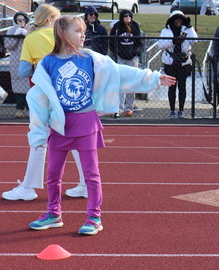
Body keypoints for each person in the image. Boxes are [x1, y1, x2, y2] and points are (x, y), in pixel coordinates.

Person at [25, 16, 175, 236]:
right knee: (53, 174)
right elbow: (38, 98)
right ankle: (53, 213)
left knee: (91, 174)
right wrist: (38, 134)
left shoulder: (90, 58)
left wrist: (152, 78)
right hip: (60, 126)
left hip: (86, 123)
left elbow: (119, 72)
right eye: (78, 31)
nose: (83, 35)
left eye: (84, 31)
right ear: (63, 34)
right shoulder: (48, 63)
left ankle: (94, 217)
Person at [2, 4, 88, 201]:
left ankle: (29, 187)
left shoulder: (31, 38)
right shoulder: (66, 36)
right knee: (75, 139)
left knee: (39, 139)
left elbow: (23, 71)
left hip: (44, 95)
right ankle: (85, 183)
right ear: (51, 20)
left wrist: (39, 68)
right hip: (70, 93)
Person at [158, 10, 197, 118]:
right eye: (176, 19)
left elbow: (194, 40)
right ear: (172, 20)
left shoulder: (186, 30)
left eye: (180, 19)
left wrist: (189, 27)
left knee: (182, 86)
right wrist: (174, 41)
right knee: (172, 86)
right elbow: (160, 45)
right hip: (170, 61)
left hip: (183, 62)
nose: (178, 21)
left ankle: (181, 110)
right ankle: (172, 110)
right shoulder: (165, 31)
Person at [109, 9, 144, 117]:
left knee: (131, 83)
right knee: (120, 83)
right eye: (125, 16)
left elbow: (140, 43)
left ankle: (129, 107)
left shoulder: (135, 27)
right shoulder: (117, 28)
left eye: (129, 16)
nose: (128, 18)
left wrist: (135, 52)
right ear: (122, 17)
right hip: (120, 58)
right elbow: (112, 43)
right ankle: (119, 107)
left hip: (132, 58)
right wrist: (118, 52)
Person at [3, 11, 29, 118]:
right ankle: (19, 108)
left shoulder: (30, 30)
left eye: (23, 20)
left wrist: (26, 35)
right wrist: (16, 36)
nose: (21, 22)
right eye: (19, 20)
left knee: (29, 85)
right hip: (16, 61)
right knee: (17, 85)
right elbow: (9, 46)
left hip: (28, 60)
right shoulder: (11, 31)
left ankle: (29, 109)